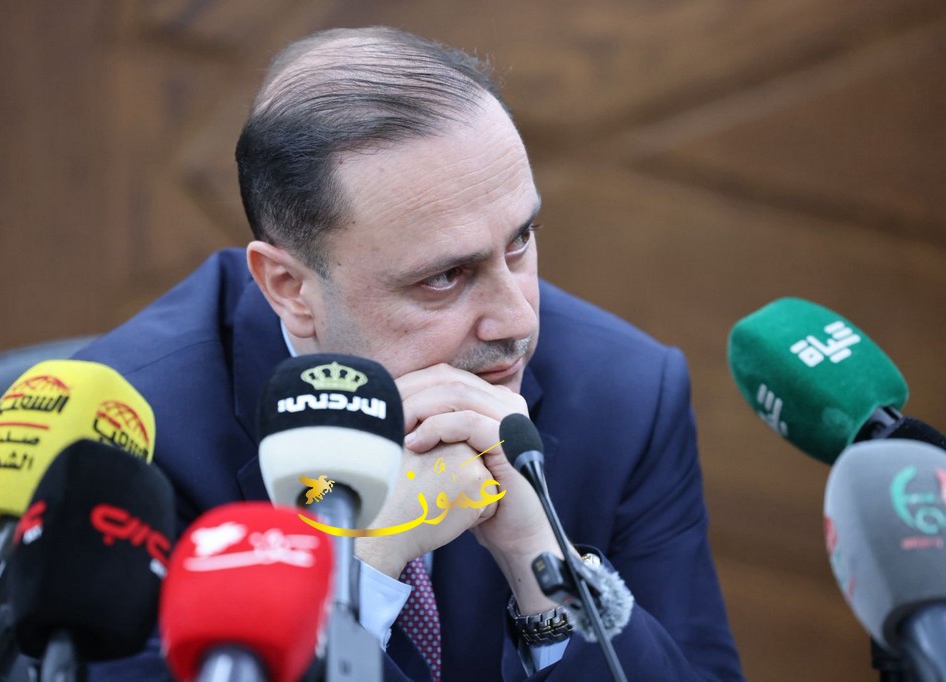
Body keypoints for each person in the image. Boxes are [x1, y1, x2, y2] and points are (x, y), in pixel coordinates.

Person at [76, 26, 744, 681]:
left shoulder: (623, 393)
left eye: (520, 241)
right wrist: (358, 570)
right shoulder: (125, 436)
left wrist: (544, 569)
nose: (518, 320)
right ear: (290, 287)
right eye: (444, 277)